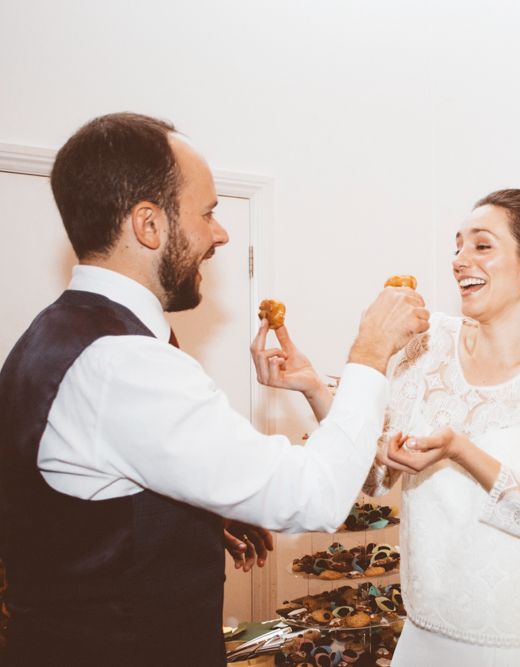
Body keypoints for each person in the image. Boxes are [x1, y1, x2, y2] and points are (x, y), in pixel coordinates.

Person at [0, 112, 429, 667]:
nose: (220, 234)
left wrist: (184, 518)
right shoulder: (123, 363)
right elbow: (313, 495)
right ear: (149, 225)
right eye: (206, 213)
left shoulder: (54, 334)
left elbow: (84, 498)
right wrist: (371, 350)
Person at [255, 189, 520, 666]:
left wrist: (462, 451)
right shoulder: (427, 345)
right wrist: (315, 388)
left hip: (519, 647)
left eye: (482, 246)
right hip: (423, 640)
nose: (460, 260)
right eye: (457, 246)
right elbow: (376, 480)